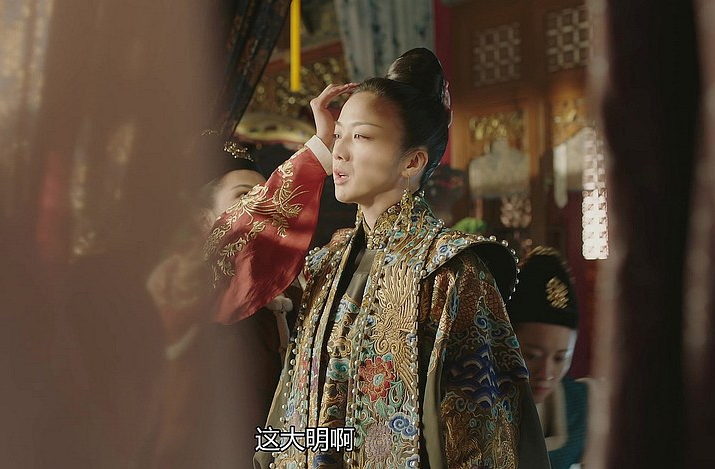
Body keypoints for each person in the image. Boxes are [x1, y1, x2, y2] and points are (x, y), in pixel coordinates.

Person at [206, 48, 549, 468]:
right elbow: (212, 277)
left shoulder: (451, 272)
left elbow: (482, 439)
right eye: (338, 135)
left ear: (413, 161)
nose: (340, 152)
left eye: (362, 136)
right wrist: (314, 152)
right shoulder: (327, 264)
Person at [142, 133, 298, 468]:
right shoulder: (189, 290)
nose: (260, 206)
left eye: (265, 196)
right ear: (203, 220)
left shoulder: (291, 291)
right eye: (244, 195)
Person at [506, 246, 590, 469]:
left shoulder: (581, 404)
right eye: (532, 355)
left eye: (560, 358)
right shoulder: (475, 407)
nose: (546, 373)